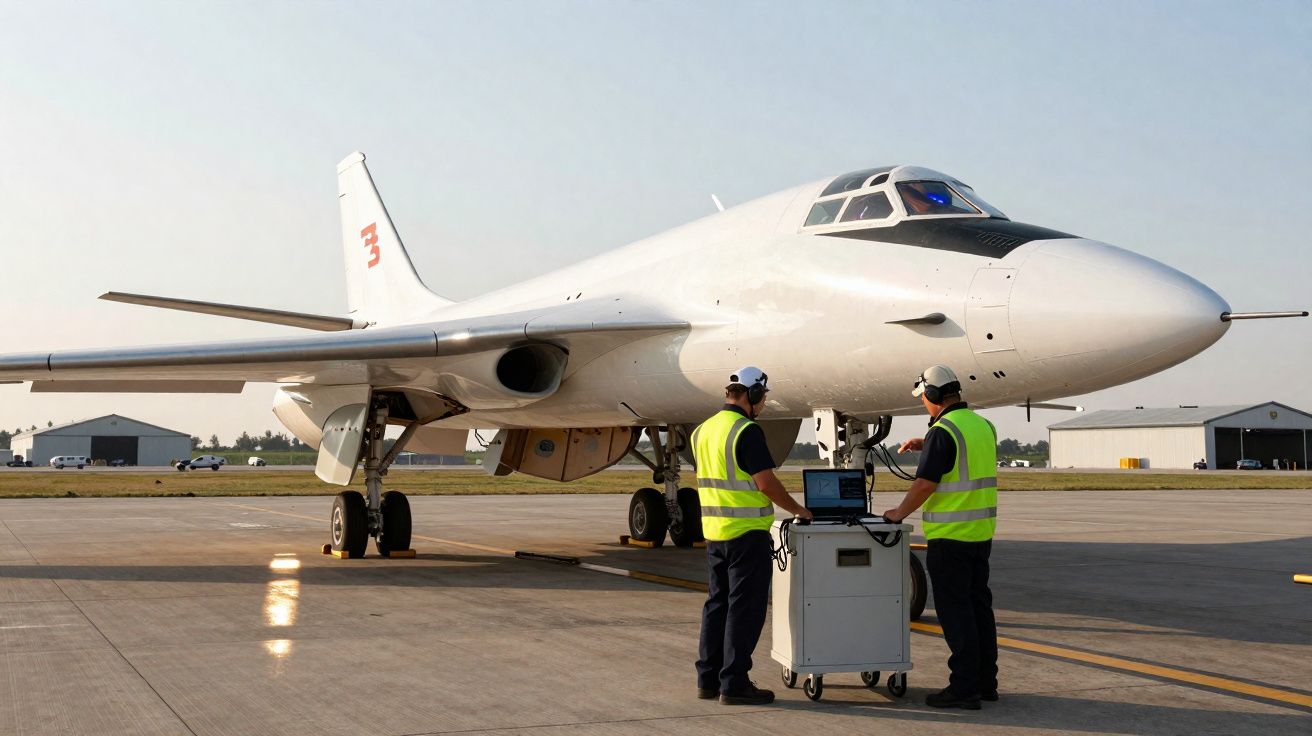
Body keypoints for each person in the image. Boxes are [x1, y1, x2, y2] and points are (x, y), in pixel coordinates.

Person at [692, 366, 812, 706]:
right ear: (753, 395)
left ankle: (708, 679)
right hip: (746, 534)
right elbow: (766, 483)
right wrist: (798, 510)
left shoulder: (702, 431)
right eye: (763, 397)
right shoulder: (746, 431)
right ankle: (734, 683)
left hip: (716, 532)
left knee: (717, 604)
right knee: (744, 609)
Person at [882, 364, 999, 710]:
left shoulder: (943, 431)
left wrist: (898, 514)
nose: (924, 405)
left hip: (950, 537)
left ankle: (963, 688)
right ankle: (985, 682)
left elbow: (925, 484)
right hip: (980, 534)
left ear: (932, 395)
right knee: (980, 609)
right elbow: (963, 460)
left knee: (956, 613)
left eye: (923, 399)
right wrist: (928, 445)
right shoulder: (983, 426)